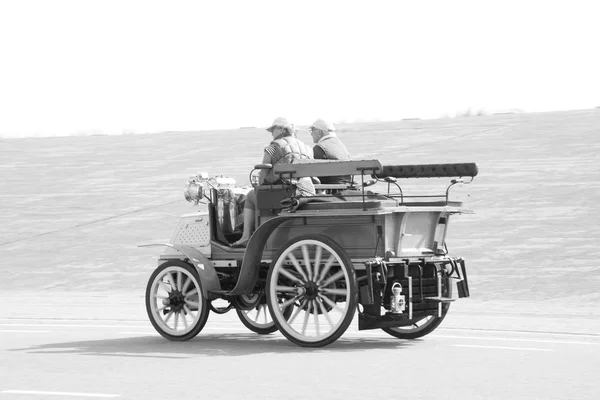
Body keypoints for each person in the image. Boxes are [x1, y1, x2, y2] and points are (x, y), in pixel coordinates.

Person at [232, 117, 315, 247]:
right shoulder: (307, 148)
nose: (271, 133)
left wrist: (262, 182)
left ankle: (246, 236)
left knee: (250, 196)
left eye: (273, 129)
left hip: (286, 194)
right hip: (308, 192)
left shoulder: (273, 147)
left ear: (282, 130)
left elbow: (261, 180)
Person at [309, 119, 351, 184]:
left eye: (312, 130)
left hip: (330, 188)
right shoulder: (341, 146)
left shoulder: (319, 148)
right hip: (347, 184)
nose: (311, 134)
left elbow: (309, 171)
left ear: (319, 132)